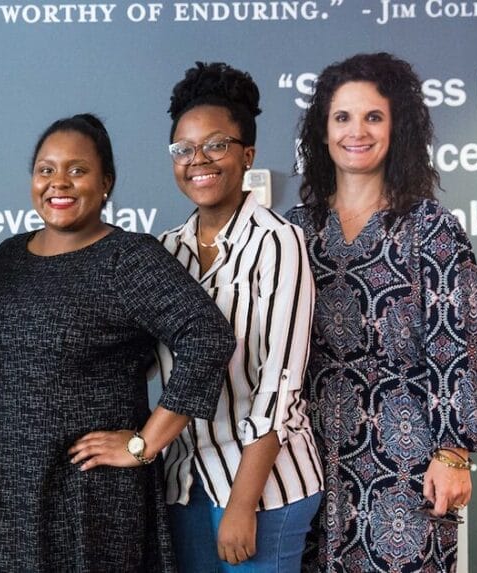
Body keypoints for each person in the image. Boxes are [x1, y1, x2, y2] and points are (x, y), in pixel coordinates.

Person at [0, 113, 235, 572]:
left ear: (106, 183)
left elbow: (206, 336)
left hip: (91, 499)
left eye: (77, 170)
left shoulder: (127, 257)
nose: (58, 183)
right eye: (45, 170)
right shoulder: (10, 255)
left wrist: (144, 444)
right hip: (10, 495)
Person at [284, 52, 477, 572]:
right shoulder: (294, 230)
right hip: (303, 461)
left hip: (405, 459)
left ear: (397, 128)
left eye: (373, 116)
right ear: (322, 131)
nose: (357, 131)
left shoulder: (431, 228)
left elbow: (455, 347)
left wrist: (452, 453)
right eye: (342, 117)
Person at [158, 62, 323, 572]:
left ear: (247, 154)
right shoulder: (166, 251)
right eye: (183, 149)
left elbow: (280, 387)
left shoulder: (278, 242)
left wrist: (242, 504)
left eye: (216, 145)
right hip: (187, 483)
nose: (198, 160)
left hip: (264, 490)